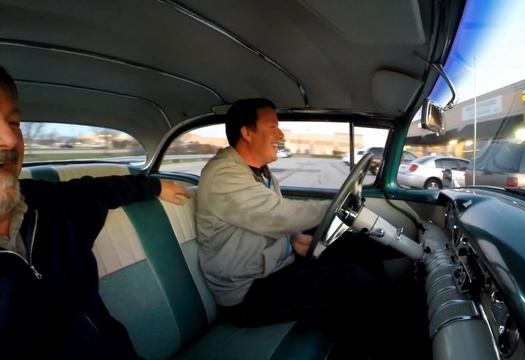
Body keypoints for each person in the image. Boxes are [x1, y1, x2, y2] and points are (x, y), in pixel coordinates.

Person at [197, 98, 424, 357]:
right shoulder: (223, 175)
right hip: (247, 293)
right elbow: (277, 215)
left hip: (277, 264)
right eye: (272, 127)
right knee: (355, 280)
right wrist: (334, 207)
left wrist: (294, 238)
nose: (281, 134)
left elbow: (261, 213)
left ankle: (407, 289)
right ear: (247, 133)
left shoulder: (259, 172)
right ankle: (387, 345)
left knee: (364, 248)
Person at [0, 65, 191, 359]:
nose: (11, 140)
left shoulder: (47, 203)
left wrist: (153, 187)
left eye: (13, 123)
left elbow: (98, 191)